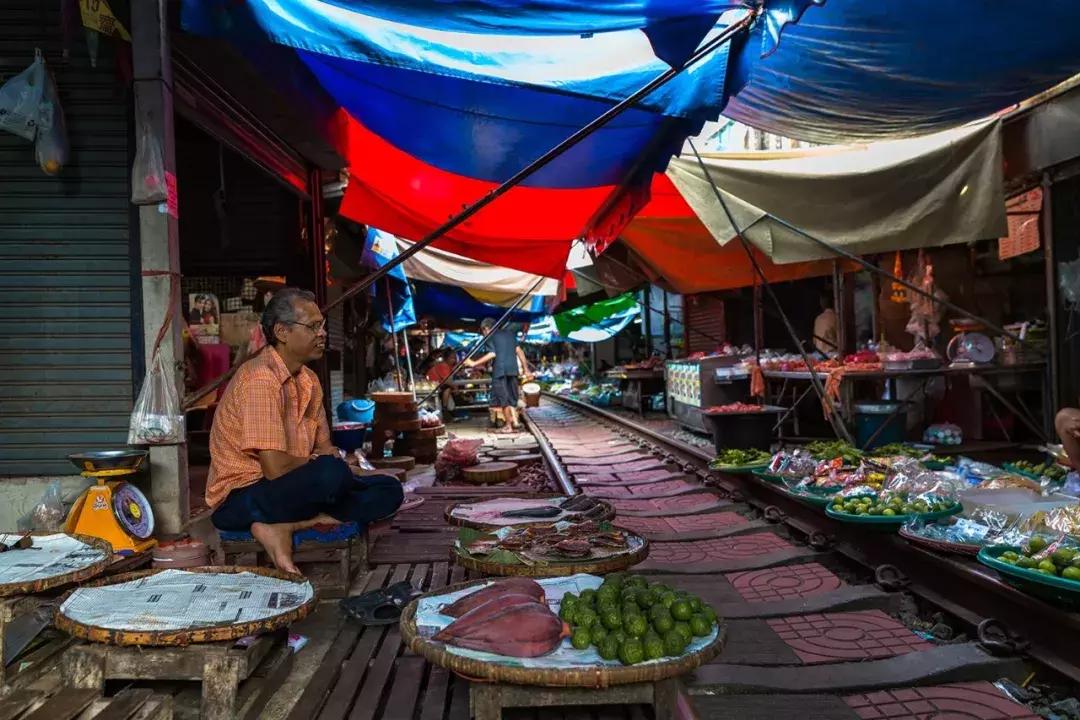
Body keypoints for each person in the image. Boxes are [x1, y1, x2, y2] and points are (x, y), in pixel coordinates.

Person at [206, 288, 404, 574]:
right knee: (330, 475)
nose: (323, 333)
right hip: (243, 497)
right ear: (282, 332)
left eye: (322, 325)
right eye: (313, 326)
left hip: (293, 490)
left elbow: (325, 448)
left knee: (389, 488)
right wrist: (326, 464)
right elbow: (274, 468)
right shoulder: (260, 378)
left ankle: (287, 525)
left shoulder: (309, 381)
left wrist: (340, 464)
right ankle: (298, 516)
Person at [465, 318, 525, 433]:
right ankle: (515, 422)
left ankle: (508, 426)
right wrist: (526, 369)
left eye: (483, 331)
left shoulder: (490, 336)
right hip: (513, 370)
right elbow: (520, 351)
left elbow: (492, 353)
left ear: (486, 328)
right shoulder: (510, 334)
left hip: (500, 371)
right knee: (512, 397)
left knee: (504, 399)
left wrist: (474, 363)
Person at [426, 349, 457, 414]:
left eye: (454, 358)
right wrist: (455, 388)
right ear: (446, 358)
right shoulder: (443, 365)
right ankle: (444, 408)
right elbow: (447, 381)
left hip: (437, 386)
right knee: (447, 388)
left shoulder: (448, 366)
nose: (453, 360)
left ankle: (446, 409)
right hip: (433, 386)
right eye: (451, 358)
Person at [813, 291, 839, 355]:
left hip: (818, 354)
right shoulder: (837, 317)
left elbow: (814, 341)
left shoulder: (818, 319)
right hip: (833, 354)